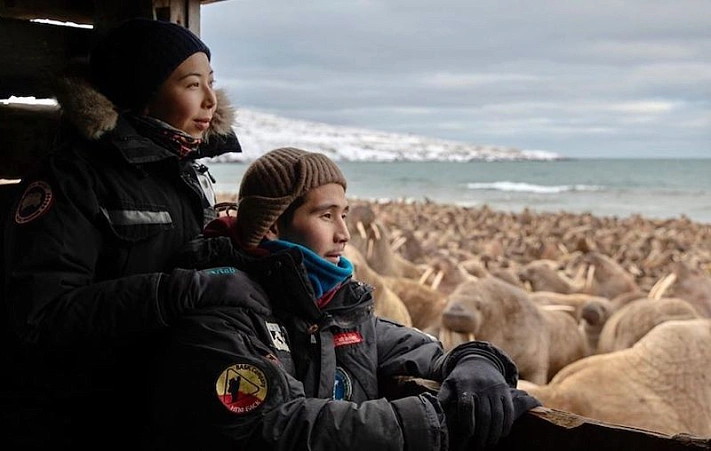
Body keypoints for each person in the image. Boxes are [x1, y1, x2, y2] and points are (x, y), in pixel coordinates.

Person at [143, 147, 540, 450]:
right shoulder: (218, 313)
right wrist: (435, 420)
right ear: (273, 226)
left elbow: (418, 349)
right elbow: (275, 426)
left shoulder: (335, 309)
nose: (344, 234)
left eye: (345, 214)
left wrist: (476, 360)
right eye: (326, 215)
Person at [1, 18, 247, 449]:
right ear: (144, 94)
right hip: (86, 419)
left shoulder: (186, 169)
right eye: (192, 85)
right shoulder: (73, 180)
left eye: (212, 82)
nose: (210, 100)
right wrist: (178, 292)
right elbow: (40, 316)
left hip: (161, 401)